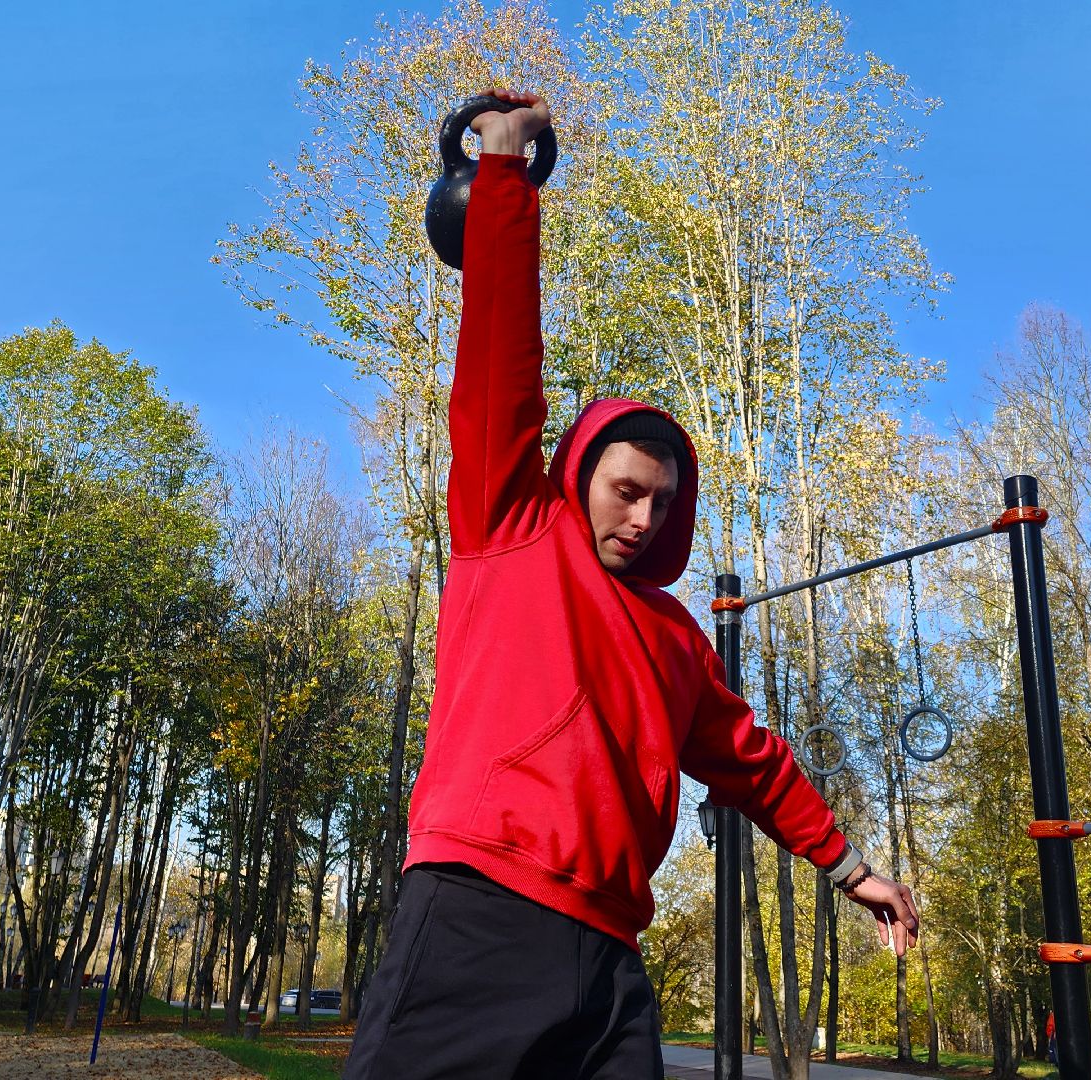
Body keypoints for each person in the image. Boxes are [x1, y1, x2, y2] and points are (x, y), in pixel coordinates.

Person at [342, 88, 919, 1080]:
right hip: (479, 913)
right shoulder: (511, 527)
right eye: (625, 492)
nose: (644, 517)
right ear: (579, 477)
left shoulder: (676, 639)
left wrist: (849, 867)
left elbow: (753, 761)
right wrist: (507, 175)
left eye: (663, 501)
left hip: (609, 958)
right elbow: (499, 360)